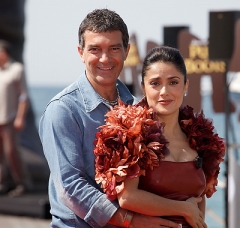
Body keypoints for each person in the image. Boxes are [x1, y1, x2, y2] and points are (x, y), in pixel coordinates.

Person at [39, 9, 182, 228]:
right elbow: (70, 187)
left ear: (127, 51)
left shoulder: (139, 108)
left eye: (114, 48)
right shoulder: (62, 110)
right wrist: (131, 221)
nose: (105, 58)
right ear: (81, 52)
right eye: (95, 49)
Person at [94, 46, 225, 228]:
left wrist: (193, 213)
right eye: (155, 83)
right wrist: (182, 209)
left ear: (185, 85)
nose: (164, 91)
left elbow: (198, 198)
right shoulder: (131, 134)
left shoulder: (201, 138)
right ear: (143, 87)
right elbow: (127, 198)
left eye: (173, 82)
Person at [0, 39, 30, 197]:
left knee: (11, 151)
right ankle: (3, 183)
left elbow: (23, 96)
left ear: (4, 53)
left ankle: (22, 183)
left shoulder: (17, 69)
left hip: (10, 118)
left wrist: (20, 117)